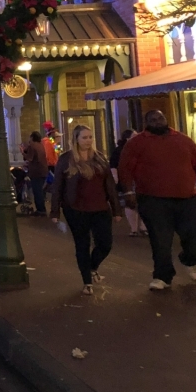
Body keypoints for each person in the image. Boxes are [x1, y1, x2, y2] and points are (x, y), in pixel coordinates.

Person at [117, 109, 196, 291]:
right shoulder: (137, 143)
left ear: (165, 118)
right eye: (152, 119)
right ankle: (163, 276)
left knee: (193, 234)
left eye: (160, 118)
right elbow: (125, 168)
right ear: (147, 123)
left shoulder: (183, 140)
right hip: (153, 199)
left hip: (187, 197)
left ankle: (189, 259)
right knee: (161, 240)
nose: (157, 121)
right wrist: (128, 192)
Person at [50, 125, 121, 295]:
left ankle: (92, 266)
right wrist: (55, 211)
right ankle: (87, 281)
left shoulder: (100, 158)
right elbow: (58, 185)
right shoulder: (66, 159)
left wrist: (116, 209)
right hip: (76, 208)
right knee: (82, 244)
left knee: (105, 243)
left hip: (100, 208)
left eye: (90, 137)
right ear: (76, 139)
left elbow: (110, 185)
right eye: (84, 138)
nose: (88, 141)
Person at [110, 129, 146, 237]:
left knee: (142, 202)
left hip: (139, 179)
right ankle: (134, 228)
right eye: (134, 136)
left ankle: (143, 227)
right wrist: (116, 179)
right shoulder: (119, 151)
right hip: (126, 180)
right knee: (130, 203)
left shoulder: (140, 149)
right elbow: (113, 165)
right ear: (127, 138)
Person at [24, 131, 50, 215]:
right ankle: (42, 209)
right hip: (43, 170)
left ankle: (41, 210)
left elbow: (30, 158)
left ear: (32, 137)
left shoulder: (32, 146)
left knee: (37, 191)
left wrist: (22, 152)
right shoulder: (41, 145)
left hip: (36, 172)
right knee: (40, 191)